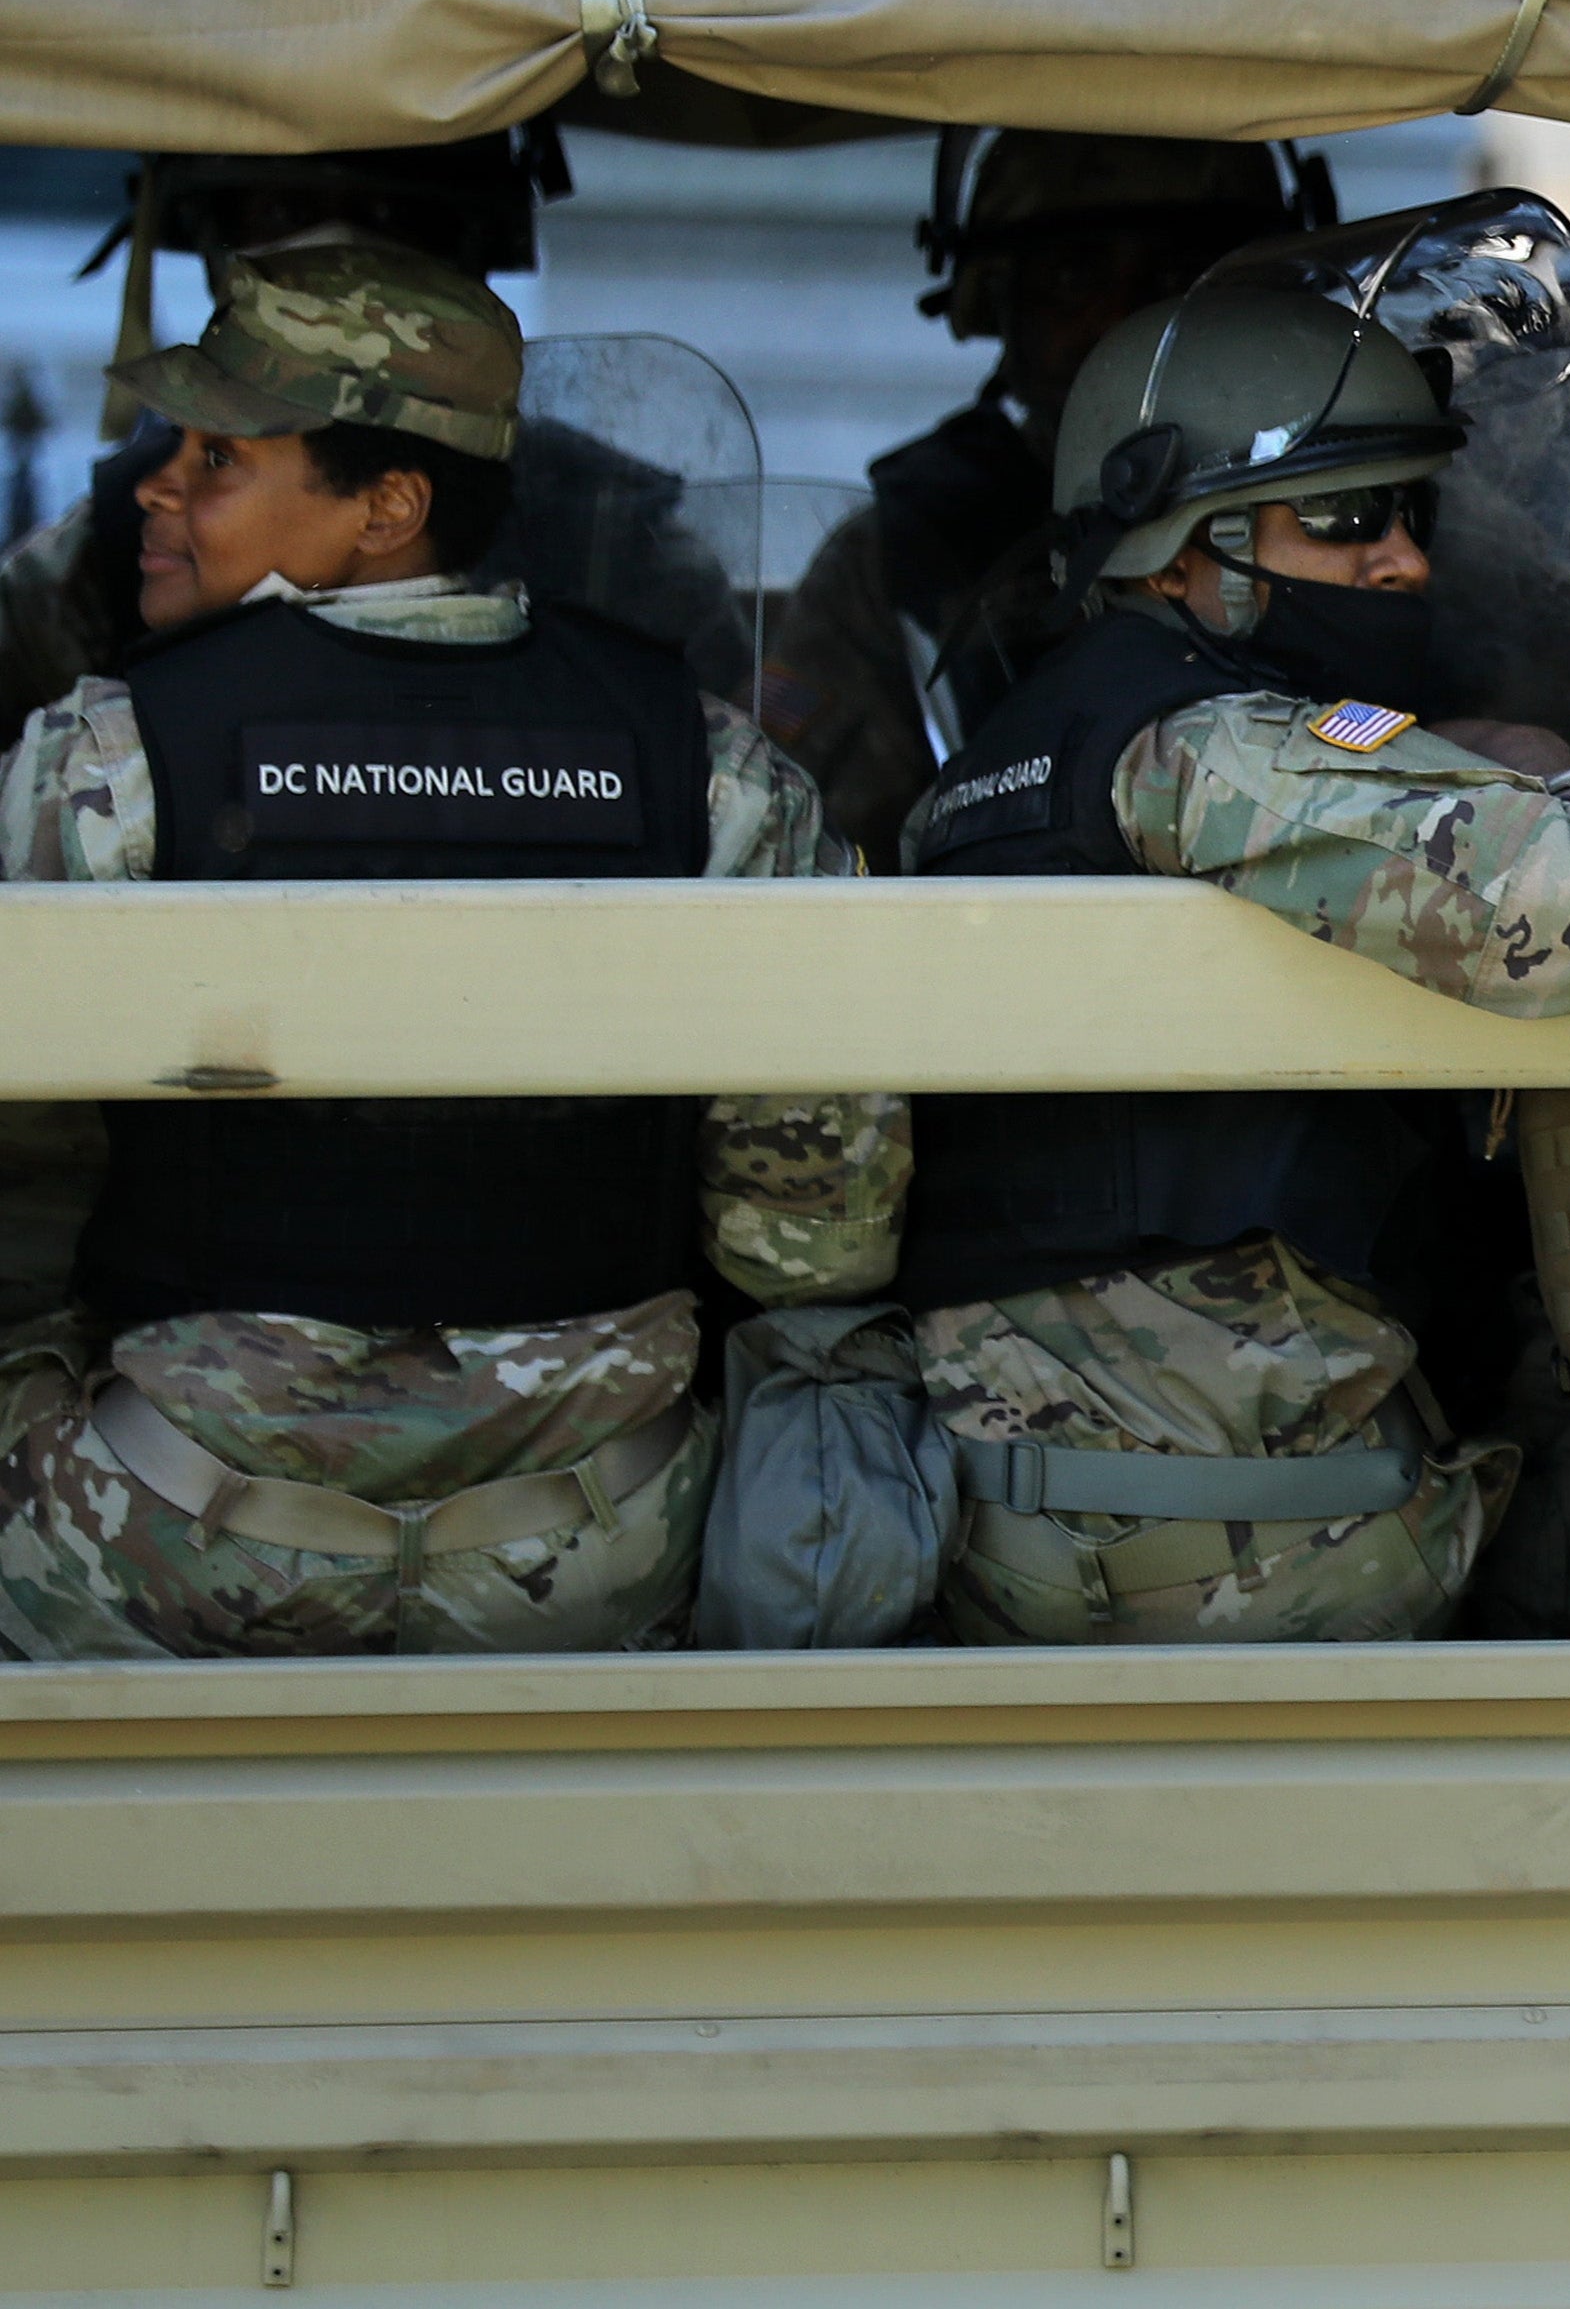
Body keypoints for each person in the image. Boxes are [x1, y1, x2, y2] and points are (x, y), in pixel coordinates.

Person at [0, 241, 904, 1660]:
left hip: (179, 1546)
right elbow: (811, 1235)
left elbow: (28, 1202)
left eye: (220, 458)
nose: (155, 487)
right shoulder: (705, 765)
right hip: (594, 1546)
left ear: (390, 505)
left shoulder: (111, 756)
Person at [879, 223, 1570, 1644]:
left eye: (1408, 517)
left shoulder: (1006, 762)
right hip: (1253, 1551)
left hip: (1030, 1517)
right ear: (1182, 546)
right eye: (1340, 520)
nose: (1397, 563)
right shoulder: (1213, 752)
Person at [761, 129, 1326, 860]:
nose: (1120, 319)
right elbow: (805, 851)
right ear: (996, 303)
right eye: (1071, 278)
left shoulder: (1368, 524)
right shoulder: (902, 554)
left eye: (1180, 276)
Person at [0, 131, 560, 744]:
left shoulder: (610, 529)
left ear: (393, 508)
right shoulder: (105, 552)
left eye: (391, 217)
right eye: (282, 212)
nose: (335, 250)